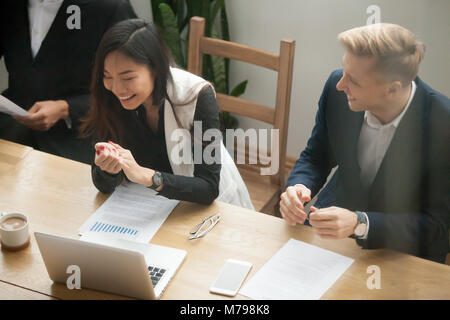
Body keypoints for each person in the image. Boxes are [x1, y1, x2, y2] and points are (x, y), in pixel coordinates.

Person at [281, 23, 449, 263]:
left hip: (401, 254)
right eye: (343, 71)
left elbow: (437, 225)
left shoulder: (444, 124)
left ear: (392, 89)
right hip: (331, 229)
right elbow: (316, 156)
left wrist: (360, 223)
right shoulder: (336, 88)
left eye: (354, 81)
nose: (341, 84)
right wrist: (297, 187)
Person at [80, 19, 254, 208]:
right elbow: (104, 186)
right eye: (107, 76)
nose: (117, 88)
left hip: (204, 208)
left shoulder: (197, 95)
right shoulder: (110, 96)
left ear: (156, 69)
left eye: (128, 78)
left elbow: (208, 188)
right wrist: (107, 170)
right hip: (146, 205)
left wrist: (147, 176)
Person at [0, 0, 136, 163]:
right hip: (11, 130)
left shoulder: (108, 7)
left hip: (81, 138)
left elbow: (134, 87)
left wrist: (66, 108)